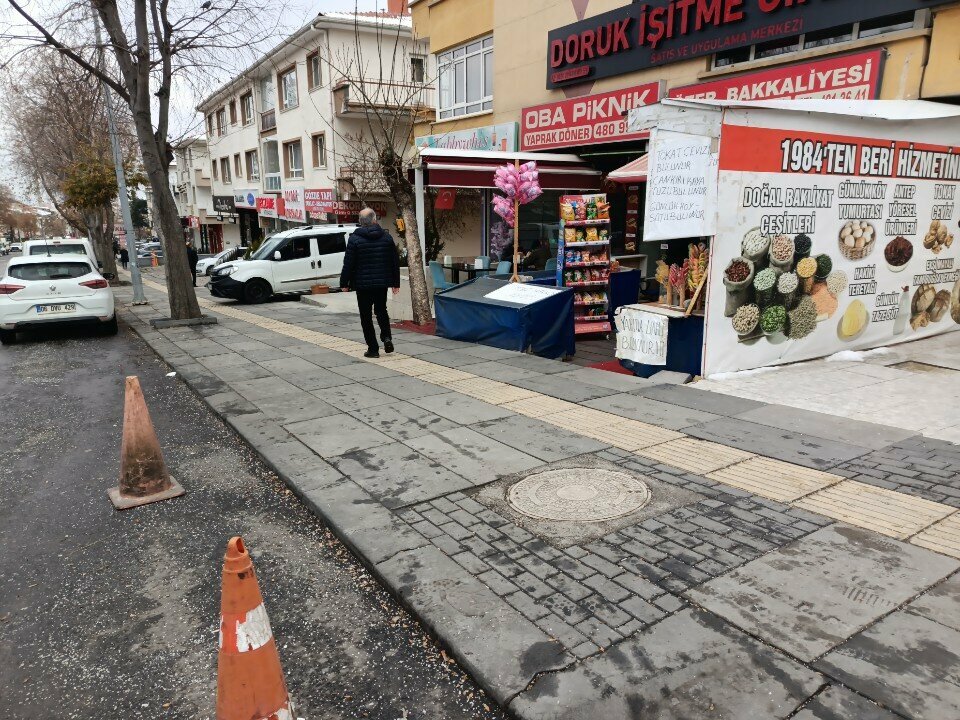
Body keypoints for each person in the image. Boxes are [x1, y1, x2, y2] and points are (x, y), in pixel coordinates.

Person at [340, 208, 400, 358]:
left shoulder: (354, 239)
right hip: (381, 283)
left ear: (361, 222)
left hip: (362, 285)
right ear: (374, 220)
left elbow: (348, 263)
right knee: (381, 310)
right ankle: (387, 337)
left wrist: (344, 283)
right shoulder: (386, 237)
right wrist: (396, 283)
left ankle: (373, 349)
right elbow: (394, 261)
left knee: (366, 316)